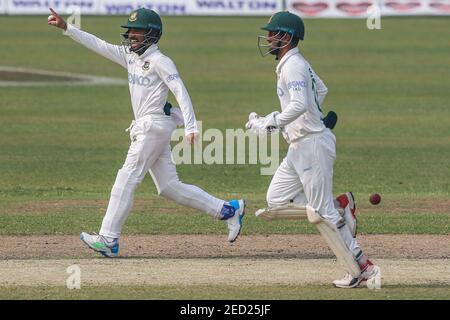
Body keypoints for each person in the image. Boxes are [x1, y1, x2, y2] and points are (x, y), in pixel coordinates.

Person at [47, 7, 245, 258]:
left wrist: (192, 126)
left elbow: (180, 91)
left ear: (151, 34)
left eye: (136, 31)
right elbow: (99, 44)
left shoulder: (161, 62)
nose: (130, 36)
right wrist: (67, 28)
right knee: (169, 187)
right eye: (129, 31)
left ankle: (108, 239)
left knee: (127, 176)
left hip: (153, 127)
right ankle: (228, 209)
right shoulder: (130, 56)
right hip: (148, 126)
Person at [248, 11, 379, 288]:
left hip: (312, 146)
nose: (268, 37)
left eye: (273, 33)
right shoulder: (292, 64)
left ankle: (361, 268)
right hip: (299, 146)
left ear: (286, 37)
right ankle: (339, 205)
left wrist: (271, 123)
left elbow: (298, 104)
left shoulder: (293, 65)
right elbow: (320, 90)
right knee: (275, 201)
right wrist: (311, 117)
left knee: (322, 214)